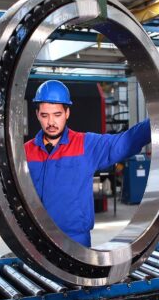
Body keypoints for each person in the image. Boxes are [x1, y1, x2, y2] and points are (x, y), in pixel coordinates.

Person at [24, 80, 151, 247]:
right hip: (36, 238)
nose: (51, 123)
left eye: (57, 114)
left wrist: (156, 122)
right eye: (45, 115)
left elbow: (124, 142)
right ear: (37, 114)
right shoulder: (25, 152)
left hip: (75, 239)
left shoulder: (86, 145)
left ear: (67, 113)